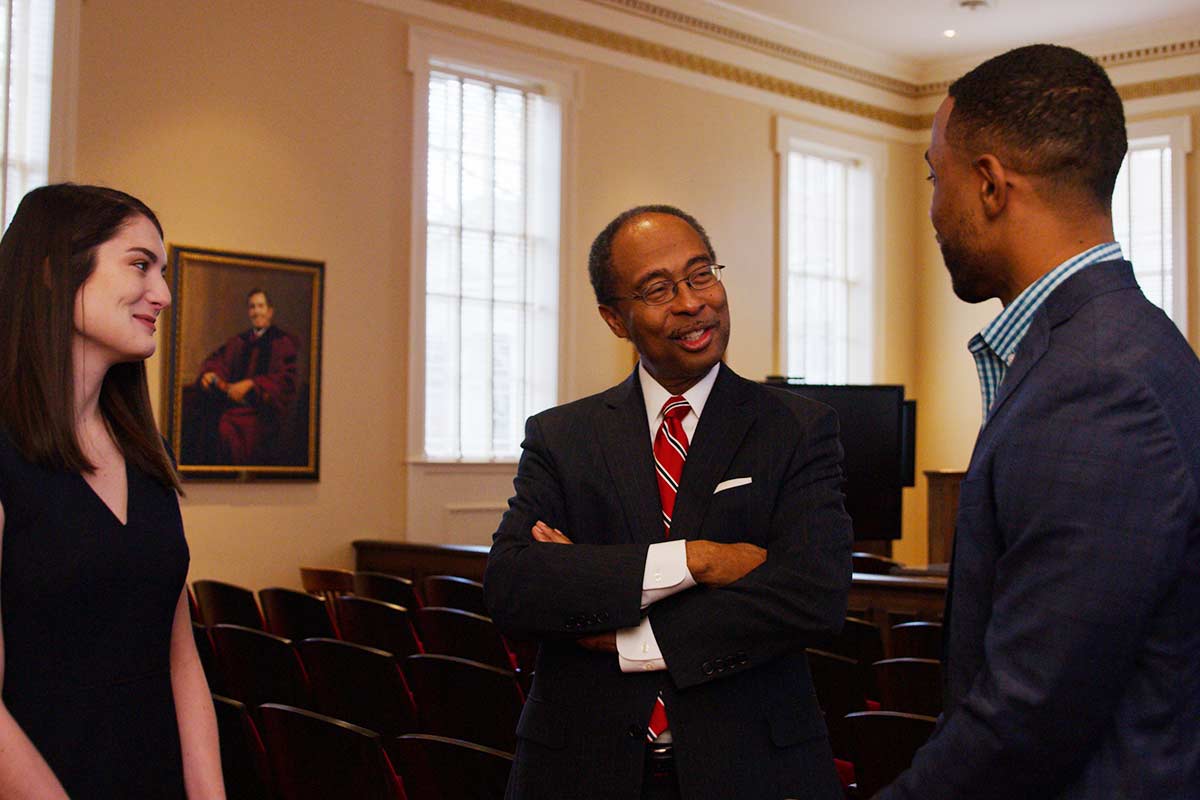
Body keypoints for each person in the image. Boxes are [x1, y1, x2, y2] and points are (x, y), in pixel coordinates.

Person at [880, 45, 1200, 798]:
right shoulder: (1116, 345)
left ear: (989, 184)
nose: (932, 207)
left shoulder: (1097, 384)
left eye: (936, 176)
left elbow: (1027, 718)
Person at [484, 205, 853, 800]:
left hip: (752, 767)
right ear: (613, 318)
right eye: (658, 289)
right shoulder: (562, 437)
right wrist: (699, 560)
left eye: (701, 274)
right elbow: (514, 586)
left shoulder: (798, 429)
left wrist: (629, 632)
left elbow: (813, 595)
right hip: (582, 768)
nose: (690, 302)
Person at [0, 184, 224, 798]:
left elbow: (178, 658)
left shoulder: (148, 459)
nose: (164, 294)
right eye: (139, 265)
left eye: (164, 271)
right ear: (53, 271)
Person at [192, 287, 299, 464]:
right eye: (252, 307)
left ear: (270, 311)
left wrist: (252, 384)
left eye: (260, 306)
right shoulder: (240, 342)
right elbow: (219, 361)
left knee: (233, 428)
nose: (256, 311)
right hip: (234, 408)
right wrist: (210, 373)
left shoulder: (283, 343)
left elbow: (285, 381)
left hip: (264, 414)